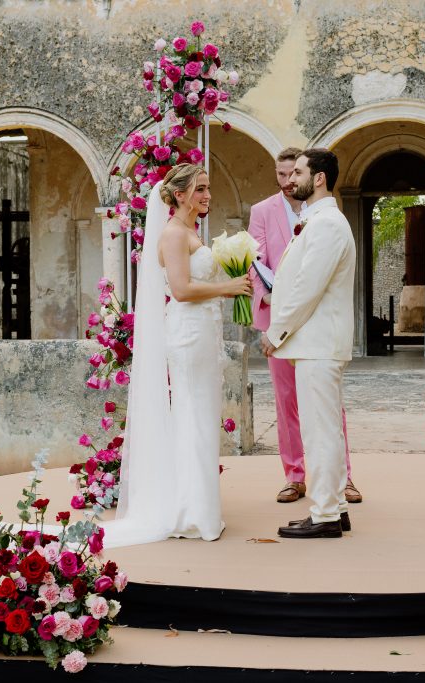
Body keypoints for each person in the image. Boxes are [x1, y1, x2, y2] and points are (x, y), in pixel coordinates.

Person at [101, 163, 252, 547]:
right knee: (193, 414)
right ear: (180, 194)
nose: (207, 195)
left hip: (203, 330)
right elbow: (182, 290)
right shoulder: (172, 233)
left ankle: (199, 507)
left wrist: (231, 282)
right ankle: (191, 513)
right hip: (187, 333)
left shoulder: (190, 231)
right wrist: (229, 287)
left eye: (208, 188)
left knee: (201, 415)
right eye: (200, 189)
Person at [248, 148, 362, 505]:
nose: (289, 181)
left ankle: (329, 505)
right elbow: (262, 265)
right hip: (301, 333)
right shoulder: (309, 218)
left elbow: (307, 287)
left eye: (296, 173)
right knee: (309, 420)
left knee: (323, 425)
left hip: (314, 337)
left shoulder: (326, 222)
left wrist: (276, 331)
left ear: (318, 178)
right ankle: (321, 498)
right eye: (285, 173)